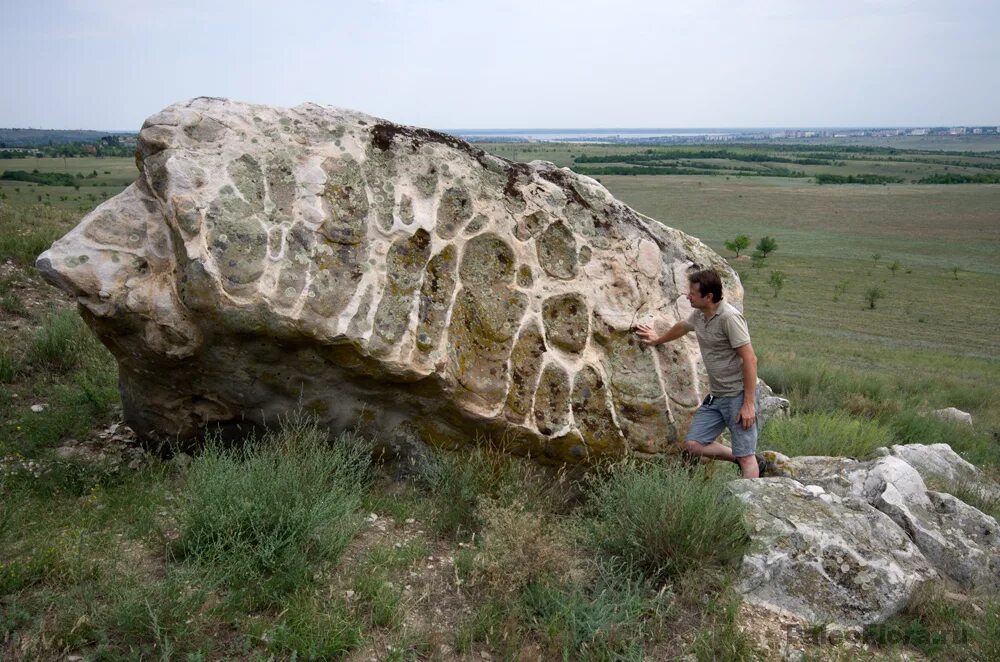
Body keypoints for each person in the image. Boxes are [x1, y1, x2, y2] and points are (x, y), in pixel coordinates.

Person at [636, 268, 767, 478]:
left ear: (709, 297)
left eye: (693, 294)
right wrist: (657, 339)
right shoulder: (700, 315)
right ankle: (739, 459)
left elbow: (750, 359)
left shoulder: (729, 318)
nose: (688, 296)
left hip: (738, 395)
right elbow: (683, 326)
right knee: (693, 445)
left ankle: (747, 505)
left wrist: (748, 403)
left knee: (746, 455)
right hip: (717, 396)